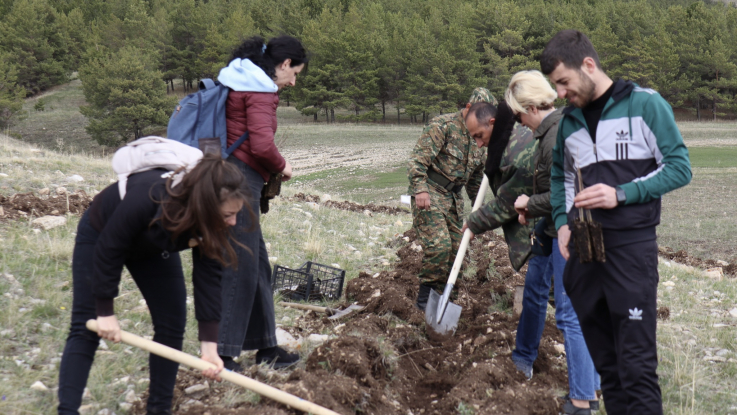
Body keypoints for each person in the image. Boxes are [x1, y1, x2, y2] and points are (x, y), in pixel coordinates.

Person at [541, 29, 692, 414]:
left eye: (563, 82)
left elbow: (679, 168)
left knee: (637, 368)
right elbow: (560, 175)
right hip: (585, 256)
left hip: (630, 251)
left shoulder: (646, 105)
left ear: (588, 65)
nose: (560, 93)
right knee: (609, 370)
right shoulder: (568, 122)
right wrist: (561, 222)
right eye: (555, 86)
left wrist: (620, 193)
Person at [58, 154, 248, 415]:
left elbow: (209, 280)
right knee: (86, 324)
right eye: (228, 214)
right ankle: (67, 411)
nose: (233, 222)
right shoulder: (150, 195)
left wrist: (209, 348)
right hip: (102, 234)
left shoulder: (217, 220)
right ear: (205, 205)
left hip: (153, 246)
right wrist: (105, 311)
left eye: (236, 214)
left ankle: (159, 410)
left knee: (171, 322)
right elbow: (110, 246)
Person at [508, 70, 600, 415]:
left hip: (573, 229)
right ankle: (586, 388)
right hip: (556, 227)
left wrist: (528, 204)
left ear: (530, 107)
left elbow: (566, 192)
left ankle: (581, 399)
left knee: (570, 314)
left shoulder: (556, 133)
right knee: (548, 296)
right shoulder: (556, 128)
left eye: (518, 115)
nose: (519, 122)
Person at [216, 35, 308, 370]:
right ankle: (224, 354)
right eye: (294, 73)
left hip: (231, 176)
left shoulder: (241, 79)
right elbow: (260, 145)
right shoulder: (259, 89)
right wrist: (283, 166)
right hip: (240, 180)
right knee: (239, 266)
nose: (293, 81)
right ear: (283, 65)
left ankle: (267, 348)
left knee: (257, 266)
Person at [407, 87, 497, 310]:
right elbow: (417, 161)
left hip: (454, 199)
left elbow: (476, 179)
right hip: (431, 191)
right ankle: (424, 300)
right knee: (439, 247)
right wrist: (420, 190)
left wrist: (482, 214)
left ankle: (446, 300)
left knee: (457, 249)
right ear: (468, 108)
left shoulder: (482, 139)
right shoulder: (442, 126)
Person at [461, 101, 536, 274]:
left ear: (492, 123)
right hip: (538, 236)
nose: (479, 144)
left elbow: (508, 203)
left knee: (557, 292)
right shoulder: (504, 142)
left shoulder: (517, 150)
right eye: (474, 138)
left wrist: (474, 222)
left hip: (544, 233)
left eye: (479, 135)